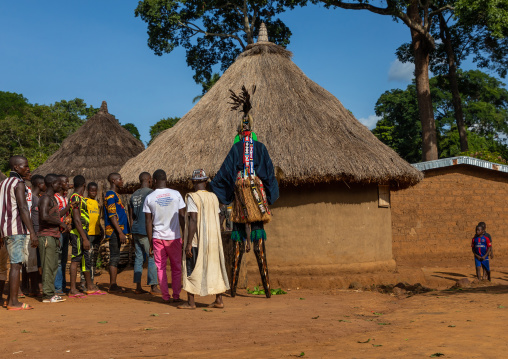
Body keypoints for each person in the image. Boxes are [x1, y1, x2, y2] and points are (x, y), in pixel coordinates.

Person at [210, 87, 279, 298]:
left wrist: (227, 196)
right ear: (252, 129)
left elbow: (225, 174)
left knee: (239, 241)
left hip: (240, 200)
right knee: (259, 243)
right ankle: (267, 290)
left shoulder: (235, 149)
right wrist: (267, 196)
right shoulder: (261, 148)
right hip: (257, 200)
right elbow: (268, 174)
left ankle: (232, 289)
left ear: (239, 131)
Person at [178, 169, 230, 310]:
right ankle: (219, 300)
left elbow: (193, 219)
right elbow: (220, 216)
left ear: (193, 182)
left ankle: (191, 302)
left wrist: (188, 243)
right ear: (206, 182)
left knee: (190, 268)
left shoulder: (192, 197)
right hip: (213, 241)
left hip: (196, 241)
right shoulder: (213, 197)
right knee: (215, 268)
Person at [0, 156, 38, 310]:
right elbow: (23, 208)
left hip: (4, 229)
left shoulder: (3, 183)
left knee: (5, 266)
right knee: (16, 265)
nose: (28, 168)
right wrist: (33, 233)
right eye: (25, 166)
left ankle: (10, 299)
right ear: (16, 167)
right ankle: (13, 302)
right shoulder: (19, 184)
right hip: (16, 230)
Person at [143, 169, 185, 303]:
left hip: (157, 237)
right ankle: (176, 296)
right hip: (174, 237)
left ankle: (165, 296)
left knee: (160, 268)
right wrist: (184, 235)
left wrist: (150, 242)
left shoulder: (149, 197)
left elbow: (148, 222)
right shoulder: (176, 194)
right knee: (176, 267)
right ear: (166, 179)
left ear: (154, 181)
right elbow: (183, 217)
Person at [69, 175, 101, 297]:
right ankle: (72, 289)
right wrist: (84, 238)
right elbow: (77, 220)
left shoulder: (80, 198)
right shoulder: (75, 198)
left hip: (83, 233)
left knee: (85, 260)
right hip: (78, 234)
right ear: (84, 185)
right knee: (76, 259)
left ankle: (90, 286)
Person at [38, 174, 68, 303]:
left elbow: (55, 215)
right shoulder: (45, 199)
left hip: (54, 236)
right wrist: (60, 223)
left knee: (54, 265)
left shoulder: (52, 199)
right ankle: (47, 295)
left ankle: (51, 293)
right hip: (47, 236)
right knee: (48, 266)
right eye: (57, 183)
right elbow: (43, 216)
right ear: (52, 184)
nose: (60, 185)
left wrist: (68, 208)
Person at [128, 172, 159, 294]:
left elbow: (130, 215)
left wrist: (132, 230)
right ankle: (153, 286)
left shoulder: (134, 195)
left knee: (139, 258)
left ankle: (138, 287)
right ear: (149, 180)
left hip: (135, 229)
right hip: (146, 230)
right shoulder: (151, 193)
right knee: (152, 257)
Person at [104, 173, 130, 292]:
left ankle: (113, 284)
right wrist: (120, 232)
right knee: (114, 256)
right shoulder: (110, 195)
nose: (122, 181)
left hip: (117, 231)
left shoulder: (116, 195)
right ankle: (113, 285)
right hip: (114, 231)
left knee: (116, 256)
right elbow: (112, 215)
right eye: (120, 179)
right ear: (113, 181)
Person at [80, 182, 103, 290]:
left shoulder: (97, 204)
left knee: (93, 259)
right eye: (91, 190)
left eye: (95, 190)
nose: (93, 192)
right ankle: (83, 282)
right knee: (86, 259)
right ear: (87, 191)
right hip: (88, 235)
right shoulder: (84, 202)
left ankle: (91, 282)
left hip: (96, 234)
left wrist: (101, 230)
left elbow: (97, 219)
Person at [28, 174, 46, 297]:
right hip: (31, 234)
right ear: (40, 185)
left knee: (38, 261)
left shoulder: (39, 199)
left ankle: (36, 286)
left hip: (38, 233)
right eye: (44, 183)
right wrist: (32, 233)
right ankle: (34, 287)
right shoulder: (31, 199)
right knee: (32, 262)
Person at [54, 174, 72, 295]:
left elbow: (67, 214)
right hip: (58, 231)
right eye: (66, 182)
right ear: (59, 184)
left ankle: (63, 286)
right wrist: (69, 207)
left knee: (64, 260)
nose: (68, 184)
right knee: (58, 261)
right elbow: (57, 215)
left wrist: (69, 222)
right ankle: (57, 288)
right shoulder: (54, 198)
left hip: (65, 231)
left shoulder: (65, 197)